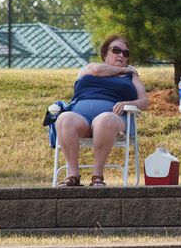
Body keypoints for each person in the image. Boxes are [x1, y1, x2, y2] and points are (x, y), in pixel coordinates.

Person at [55, 34, 148, 187]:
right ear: (105, 54)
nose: (121, 55)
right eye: (116, 50)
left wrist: (127, 103)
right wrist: (122, 69)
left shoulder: (131, 77)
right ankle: (73, 175)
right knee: (65, 119)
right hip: (81, 117)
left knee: (104, 119)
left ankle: (97, 175)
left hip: (113, 116)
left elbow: (144, 102)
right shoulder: (91, 69)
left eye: (126, 53)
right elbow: (96, 70)